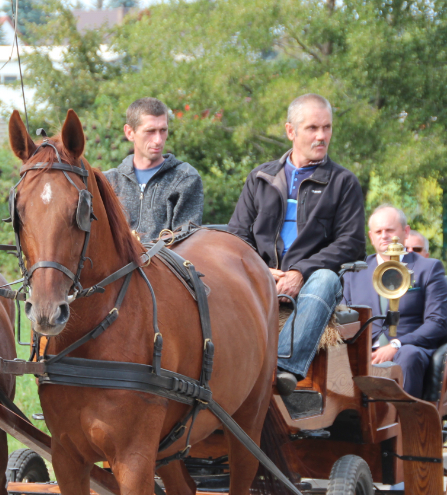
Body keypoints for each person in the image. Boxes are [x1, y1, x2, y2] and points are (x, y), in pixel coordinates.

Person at [227, 93, 365, 396]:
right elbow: (237, 235)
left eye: (327, 128)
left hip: (312, 282)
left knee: (327, 278)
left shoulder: (343, 183)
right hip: (260, 277)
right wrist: (264, 270)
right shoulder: (260, 178)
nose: (321, 136)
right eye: (312, 128)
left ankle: (282, 371)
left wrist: (300, 271)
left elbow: (351, 242)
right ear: (291, 131)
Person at [342, 205, 447, 397]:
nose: (384, 235)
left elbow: (437, 322)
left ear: (405, 232)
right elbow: (343, 318)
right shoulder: (354, 273)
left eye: (389, 230)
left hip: (409, 350)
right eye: (378, 231)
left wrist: (396, 345)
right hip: (364, 351)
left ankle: (402, 423)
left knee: (409, 355)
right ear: (371, 237)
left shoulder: (428, 268)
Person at [104, 97, 203, 241]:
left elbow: (186, 243)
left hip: (164, 263)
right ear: (129, 132)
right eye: (150, 131)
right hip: (117, 264)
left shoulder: (185, 178)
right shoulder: (109, 181)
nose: (158, 140)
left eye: (163, 130)